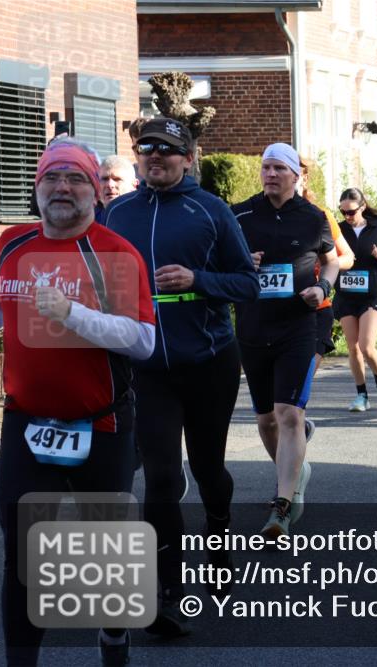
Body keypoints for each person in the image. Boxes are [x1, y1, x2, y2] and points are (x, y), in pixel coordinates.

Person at [0, 139, 156, 667]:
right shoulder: (11, 245)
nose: (63, 188)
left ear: (95, 191)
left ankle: (113, 631)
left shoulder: (114, 253)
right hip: (25, 423)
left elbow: (143, 341)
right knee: (23, 555)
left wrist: (72, 314)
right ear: (37, 187)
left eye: (77, 178)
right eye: (52, 177)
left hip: (101, 424)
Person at [105, 117, 260, 638]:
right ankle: (167, 591)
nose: (155, 156)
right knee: (162, 477)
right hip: (148, 368)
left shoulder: (211, 210)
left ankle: (219, 535)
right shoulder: (117, 213)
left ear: (188, 158)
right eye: (146, 147)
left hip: (209, 361)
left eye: (167, 149)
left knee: (209, 469)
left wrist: (199, 279)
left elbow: (248, 283)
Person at [231, 143, 340, 538]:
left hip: (298, 327)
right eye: (266, 167)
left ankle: (282, 504)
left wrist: (323, 287)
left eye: (279, 168)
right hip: (253, 327)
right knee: (266, 421)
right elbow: (216, 261)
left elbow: (331, 260)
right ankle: (294, 471)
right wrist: (241, 263)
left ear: (296, 174)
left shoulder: (313, 217)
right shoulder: (239, 214)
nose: (271, 174)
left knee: (289, 413)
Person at [332, 188, 377, 411]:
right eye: (343, 212)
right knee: (353, 348)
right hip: (345, 296)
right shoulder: (338, 231)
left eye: (351, 212)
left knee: (366, 346)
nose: (347, 216)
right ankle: (361, 395)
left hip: (371, 296)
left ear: (362, 207)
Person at [299, 156, 355, 365]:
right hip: (276, 313)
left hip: (316, 308)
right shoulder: (259, 217)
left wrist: (325, 263)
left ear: (303, 178)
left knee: (301, 378)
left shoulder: (321, 216)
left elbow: (348, 257)